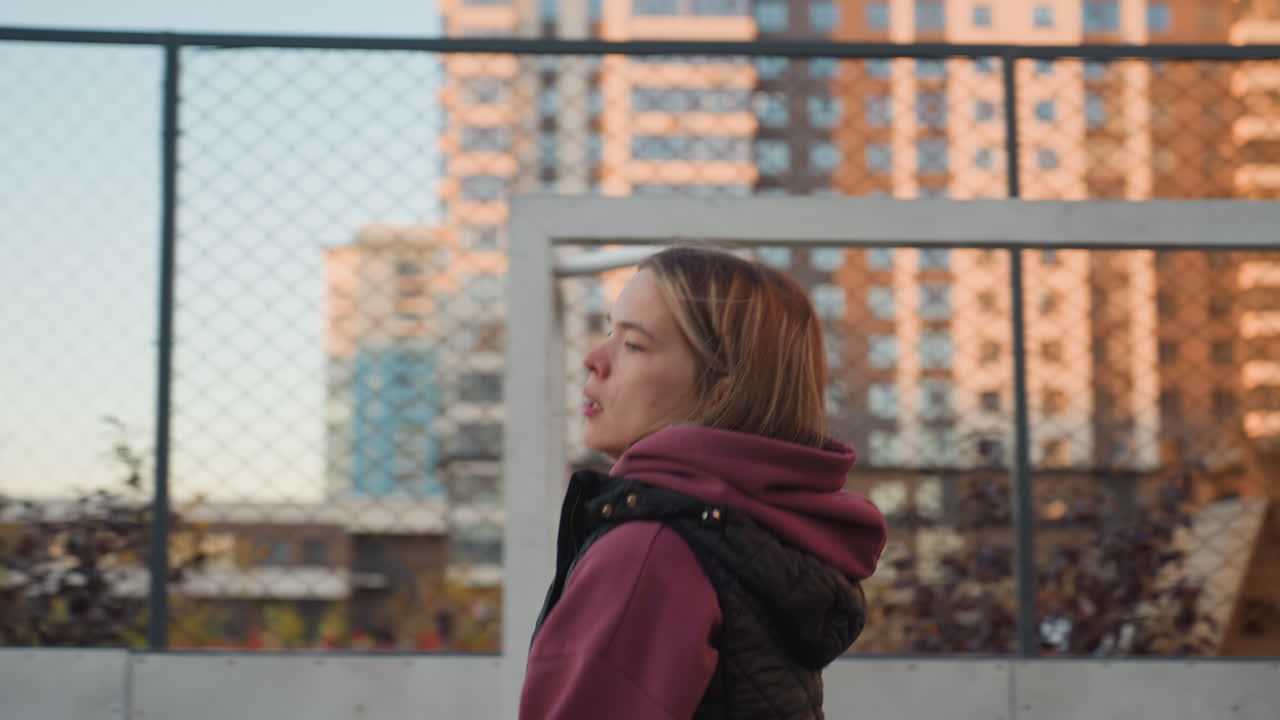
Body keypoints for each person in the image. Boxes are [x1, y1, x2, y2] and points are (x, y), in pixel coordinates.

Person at [520, 246, 887, 719]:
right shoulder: (754, 534)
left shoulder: (647, 551)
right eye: (610, 331)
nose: (593, 358)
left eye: (634, 344)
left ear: (721, 389)